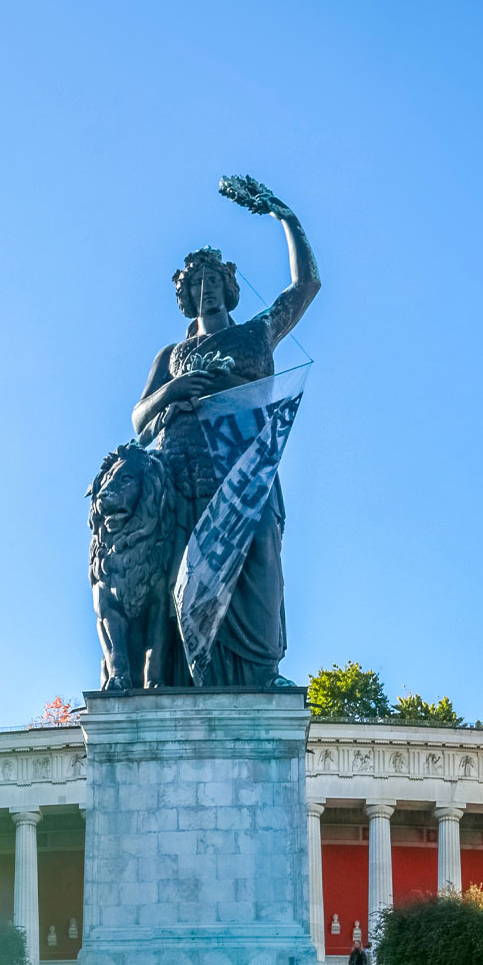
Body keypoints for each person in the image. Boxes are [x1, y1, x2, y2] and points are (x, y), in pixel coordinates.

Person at [129, 178, 319, 687]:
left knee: (259, 564)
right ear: (185, 296)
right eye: (196, 284)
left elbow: (305, 287)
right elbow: (139, 423)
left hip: (243, 473)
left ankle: (261, 672)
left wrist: (286, 217)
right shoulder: (170, 357)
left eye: (213, 280)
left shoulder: (255, 333)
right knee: (178, 583)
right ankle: (175, 681)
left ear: (229, 285)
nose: (206, 290)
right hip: (182, 474)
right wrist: (174, 390)